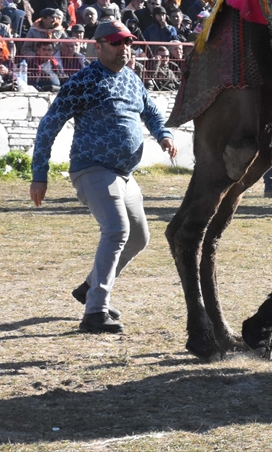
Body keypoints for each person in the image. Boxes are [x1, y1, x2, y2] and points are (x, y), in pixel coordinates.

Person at [30, 20, 178, 334]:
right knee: (116, 229)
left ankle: (89, 287)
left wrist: (163, 135)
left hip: (124, 174)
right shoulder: (82, 81)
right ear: (97, 46)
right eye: (116, 43)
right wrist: (39, 174)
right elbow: (49, 125)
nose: (124, 48)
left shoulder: (133, 80)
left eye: (128, 43)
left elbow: (150, 112)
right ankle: (95, 312)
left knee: (139, 237)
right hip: (92, 168)